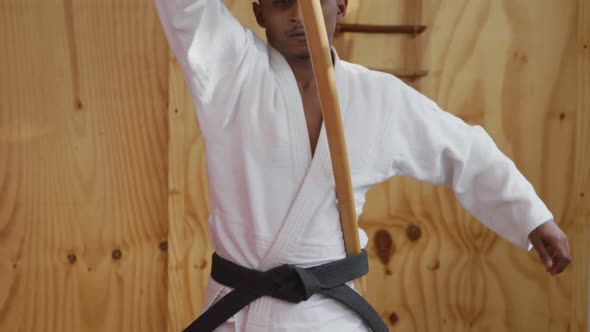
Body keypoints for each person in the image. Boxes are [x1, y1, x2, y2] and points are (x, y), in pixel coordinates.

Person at [154, 0, 573, 331]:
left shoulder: (379, 98)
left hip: (328, 317)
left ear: (342, 4)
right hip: (237, 313)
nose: (301, 15)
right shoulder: (231, 72)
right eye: (284, 1)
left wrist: (531, 217)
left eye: (318, 1)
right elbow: (185, 6)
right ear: (259, 9)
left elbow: (464, 151)